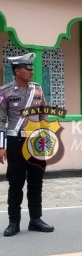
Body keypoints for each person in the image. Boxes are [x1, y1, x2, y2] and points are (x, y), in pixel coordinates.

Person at [0, 52, 54, 237]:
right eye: (27, 68)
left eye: (32, 68)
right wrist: (1, 147)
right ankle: (13, 222)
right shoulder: (5, 91)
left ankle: (35, 219)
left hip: (36, 142)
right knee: (16, 183)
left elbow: (43, 115)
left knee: (36, 181)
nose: (31, 71)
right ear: (17, 71)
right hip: (16, 141)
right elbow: (0, 121)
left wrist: (45, 138)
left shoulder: (37, 90)